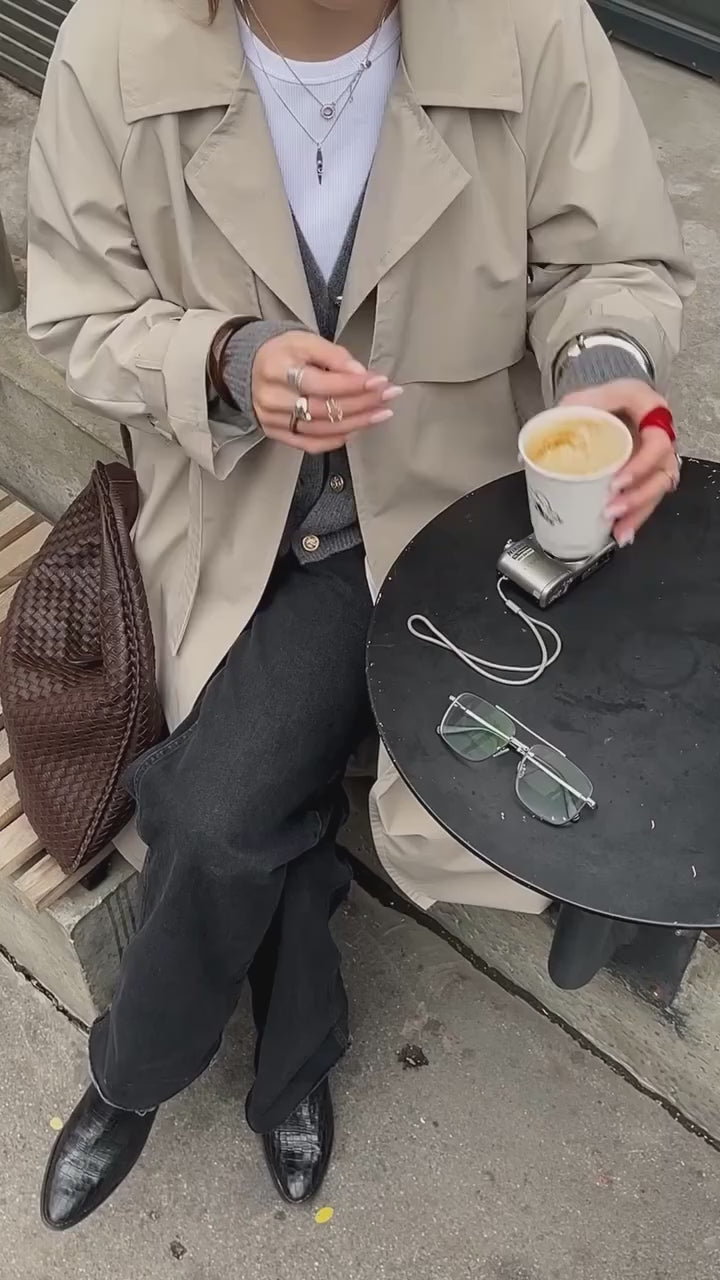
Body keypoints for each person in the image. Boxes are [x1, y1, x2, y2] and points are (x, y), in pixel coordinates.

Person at [26, 0, 692, 1230]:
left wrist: (605, 376)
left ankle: (136, 1071)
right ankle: (284, 1068)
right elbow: (77, 316)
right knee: (240, 810)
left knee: (221, 812)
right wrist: (223, 359)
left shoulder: (530, 29)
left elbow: (607, 266)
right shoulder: (114, 45)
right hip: (226, 504)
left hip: (440, 516)